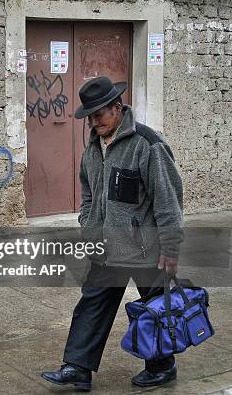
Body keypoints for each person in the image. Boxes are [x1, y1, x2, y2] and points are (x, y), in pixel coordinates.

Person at [40, 77, 184, 391]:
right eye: (90, 117)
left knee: (155, 310)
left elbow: (168, 199)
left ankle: (162, 367)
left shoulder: (147, 144)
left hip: (147, 249)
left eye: (100, 115)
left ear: (117, 108)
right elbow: (89, 192)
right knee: (92, 305)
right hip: (107, 248)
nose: (94, 122)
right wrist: (88, 227)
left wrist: (170, 249)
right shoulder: (93, 148)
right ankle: (77, 368)